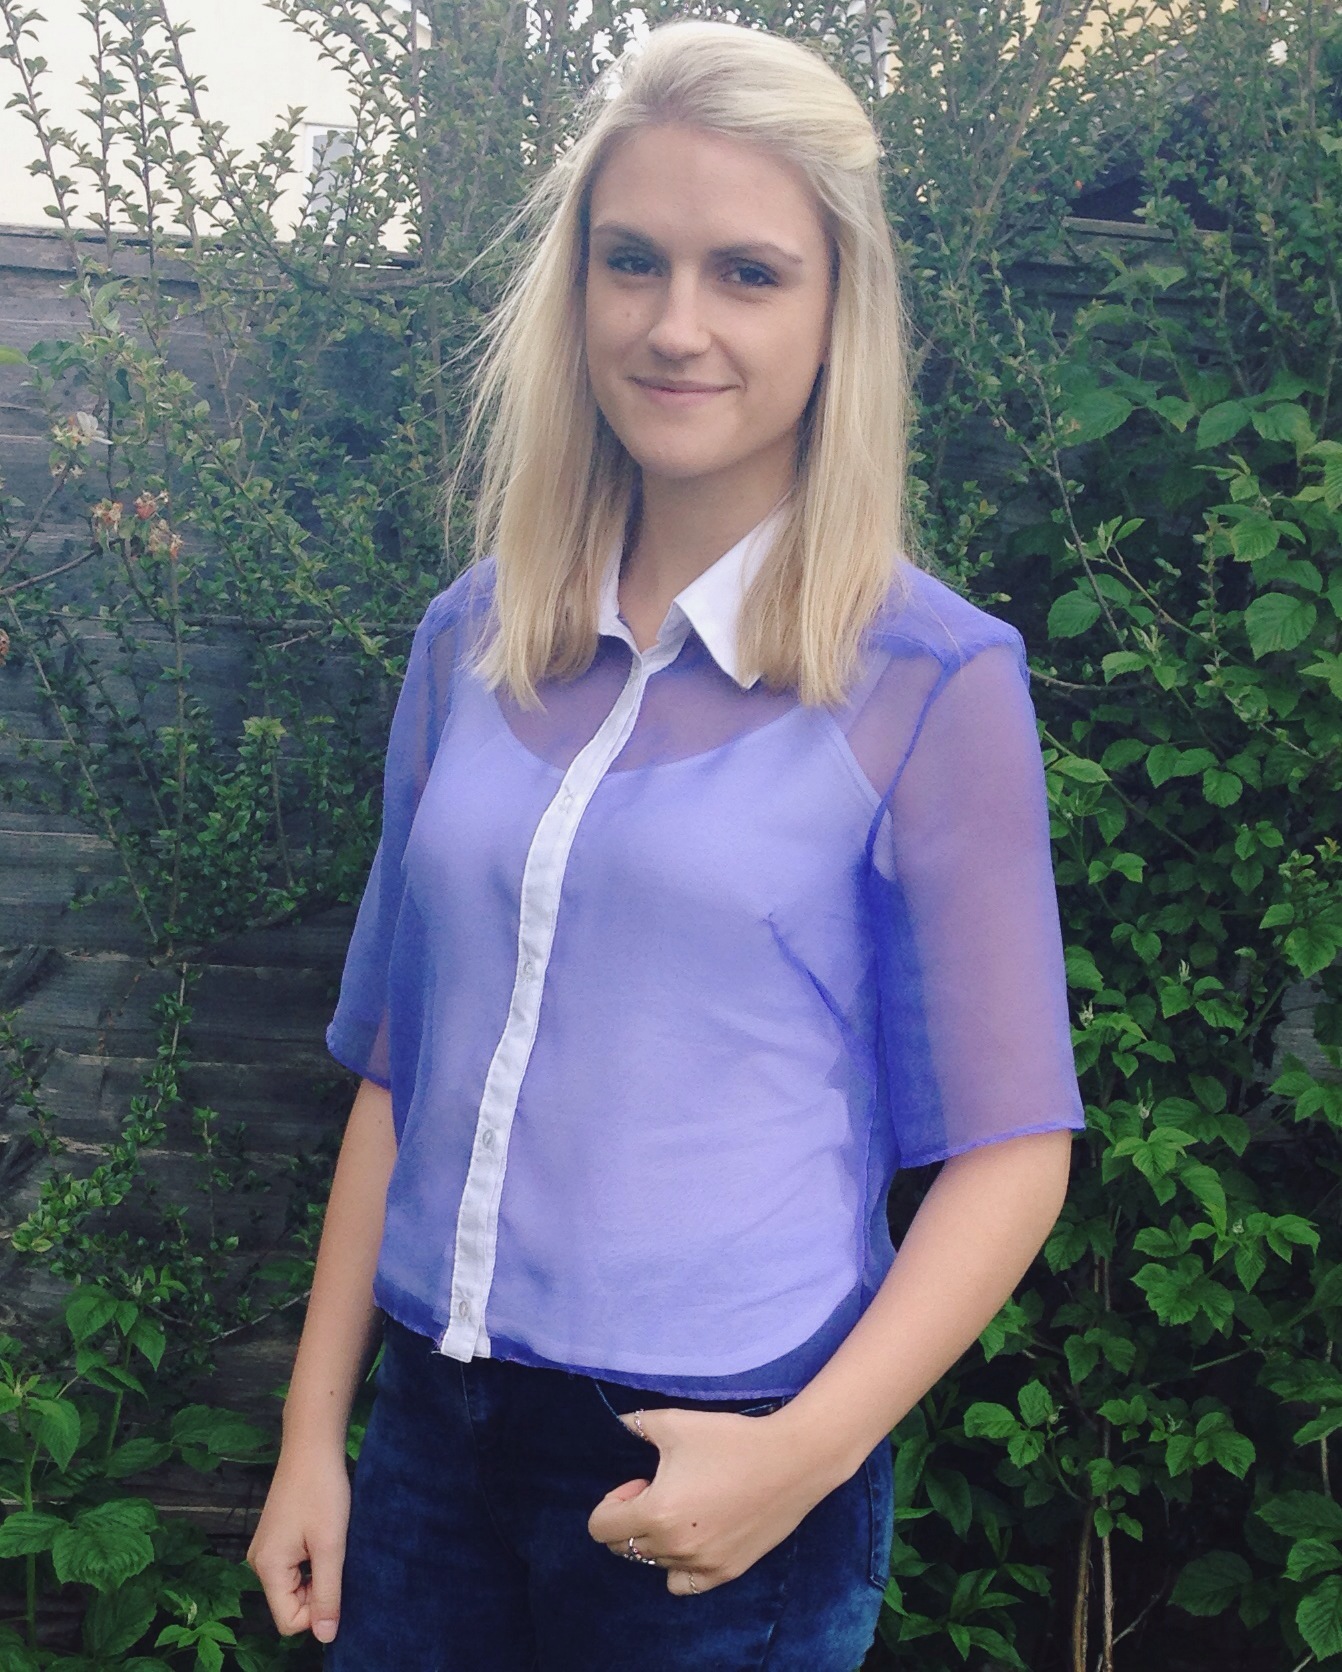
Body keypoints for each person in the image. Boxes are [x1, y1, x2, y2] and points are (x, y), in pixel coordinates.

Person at [245, 18, 1086, 1671]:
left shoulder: (930, 677)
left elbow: (1012, 1149)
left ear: (838, 311)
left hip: (719, 1453)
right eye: (630, 260)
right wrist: (310, 1439)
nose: (673, 323)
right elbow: (400, 1064)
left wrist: (802, 1456)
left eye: (746, 274)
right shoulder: (472, 638)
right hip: (429, 1439)